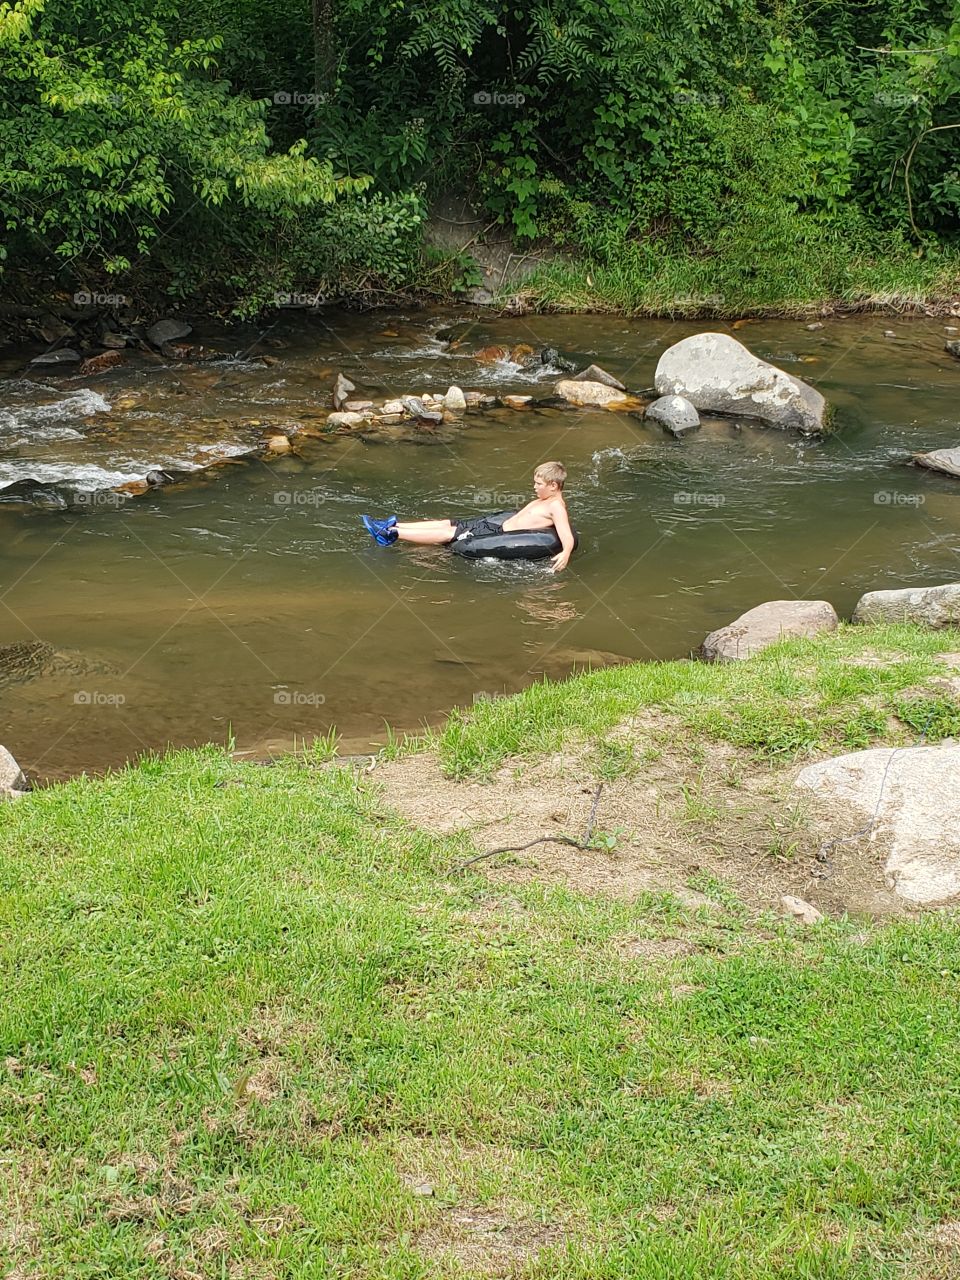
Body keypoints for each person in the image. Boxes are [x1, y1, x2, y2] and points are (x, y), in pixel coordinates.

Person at [362, 460, 577, 572]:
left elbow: (565, 533)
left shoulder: (556, 506)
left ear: (553, 485)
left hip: (497, 534)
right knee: (451, 522)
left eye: (538, 484)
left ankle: (392, 534)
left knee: (450, 532)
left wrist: (566, 553)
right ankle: (395, 523)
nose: (534, 487)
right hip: (496, 527)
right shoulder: (545, 500)